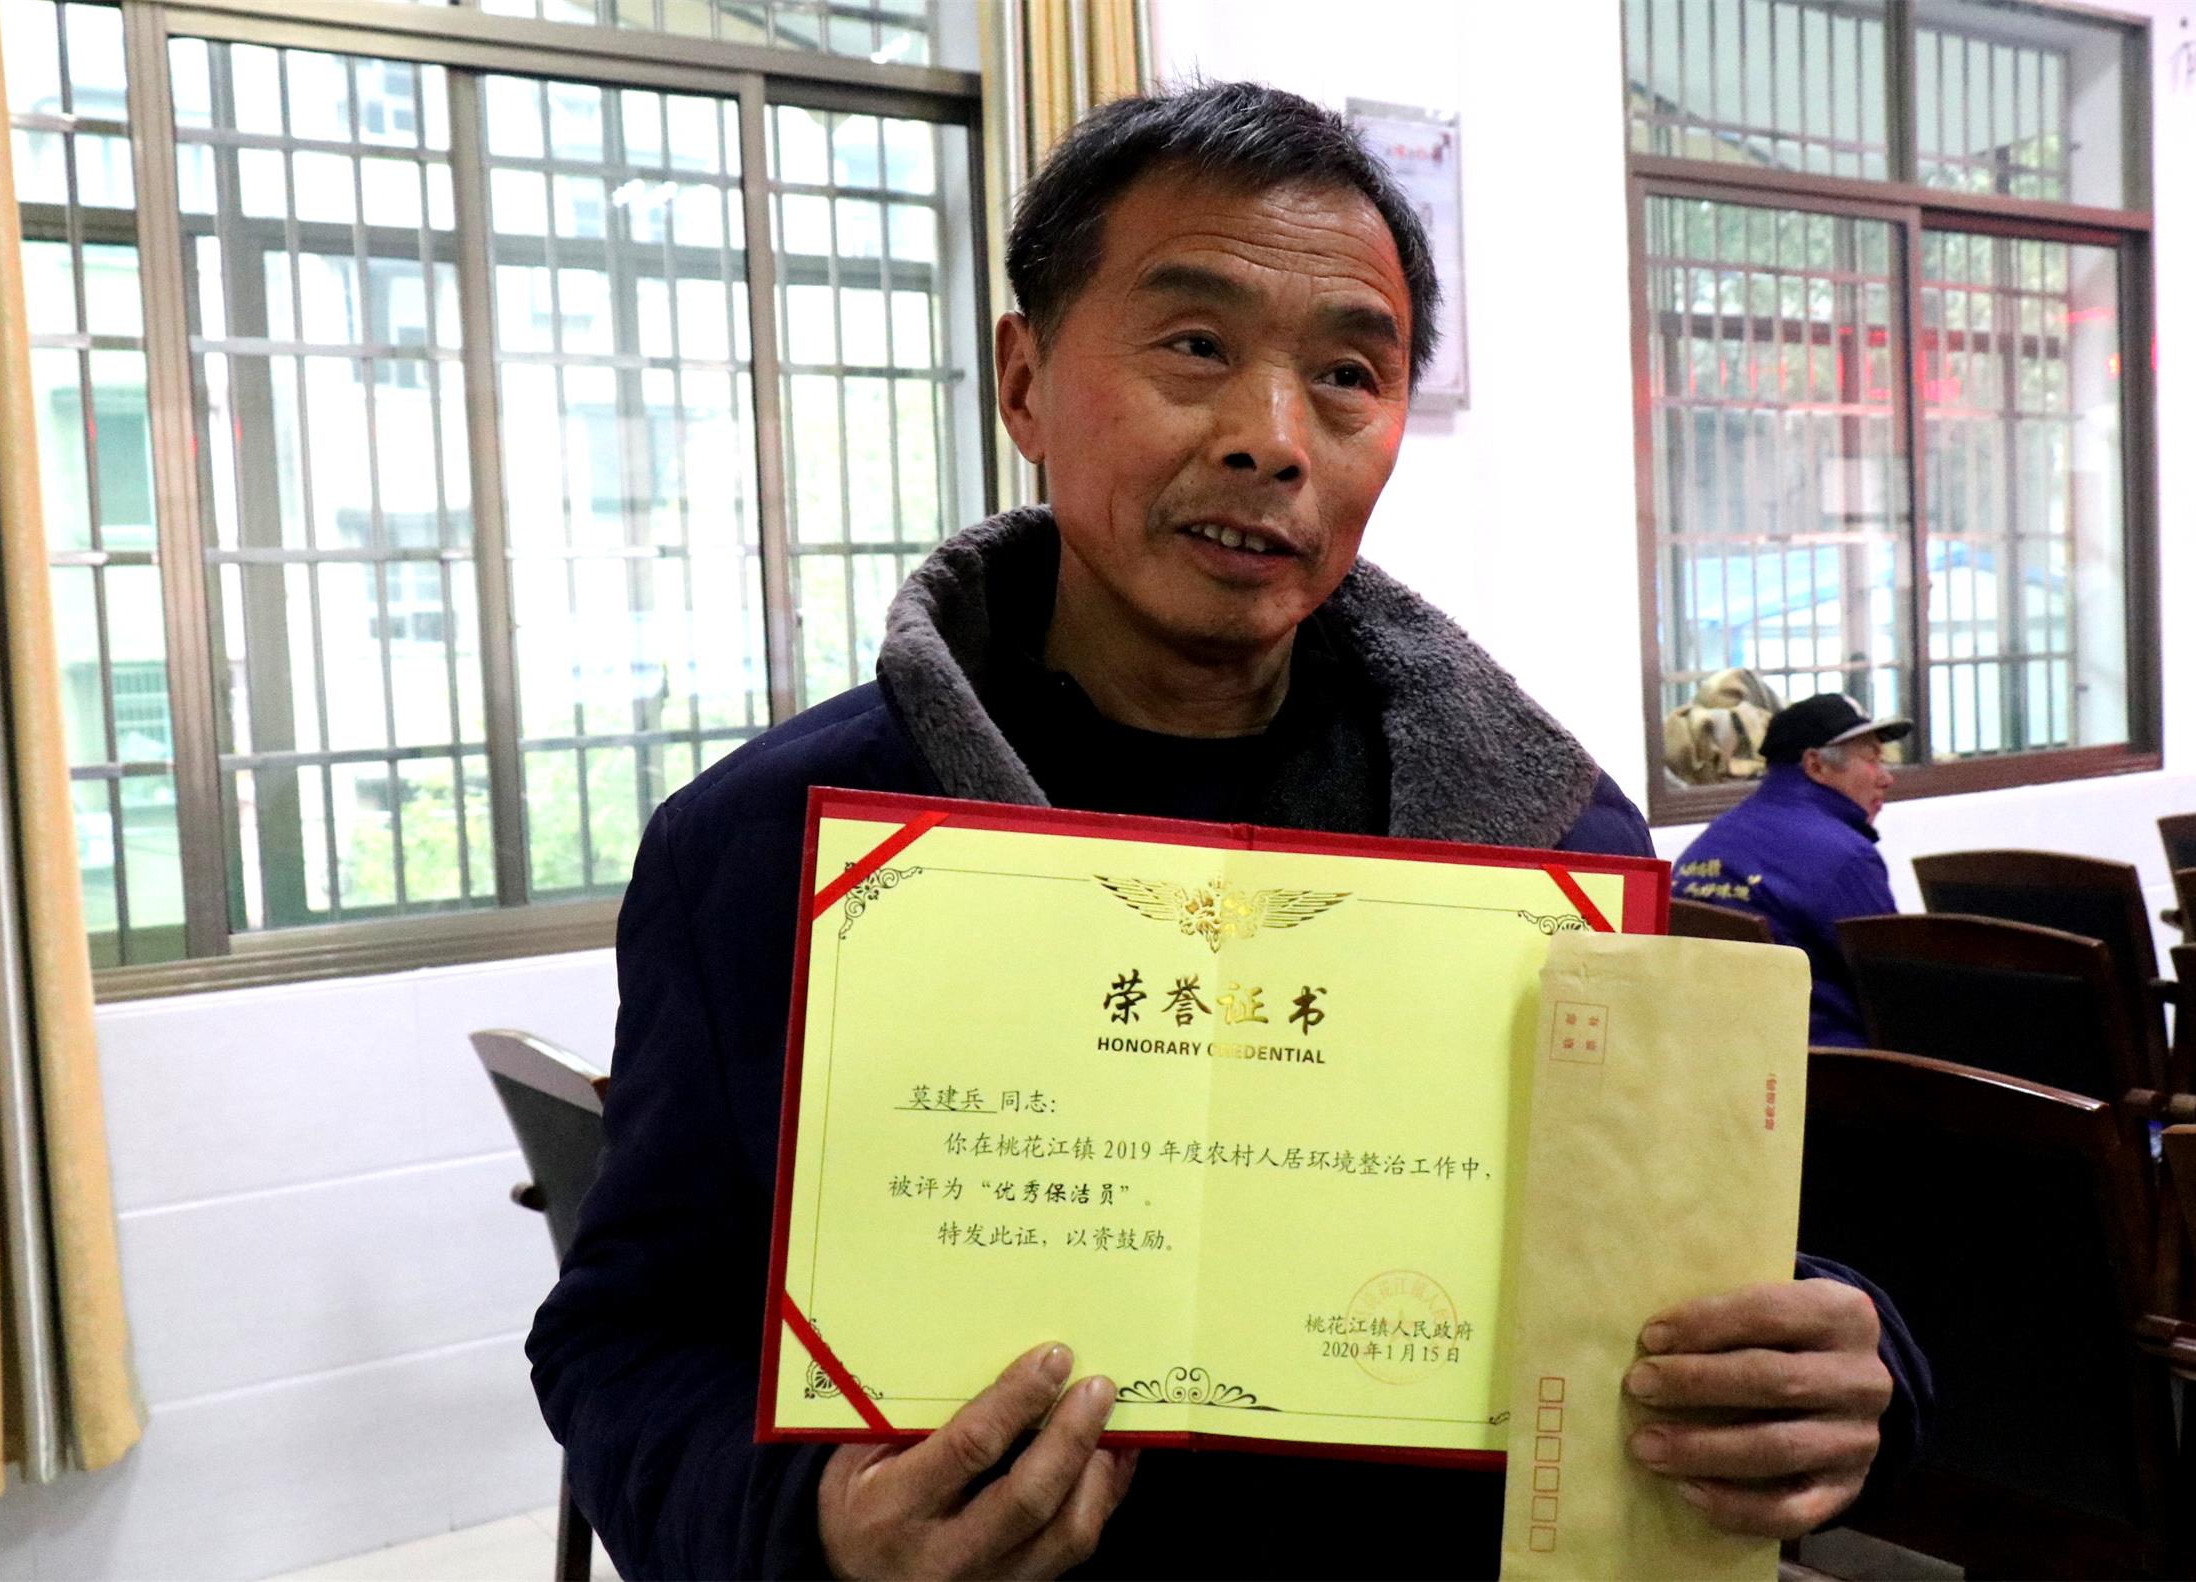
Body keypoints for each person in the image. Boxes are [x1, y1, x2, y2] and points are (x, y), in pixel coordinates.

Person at [526, 84, 1928, 1580]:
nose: (1273, 439)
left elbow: (1698, 1271)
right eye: (1195, 345)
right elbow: (628, 1339)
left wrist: (1849, 1369)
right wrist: (810, 1528)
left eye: (1346, 374)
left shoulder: (1548, 846)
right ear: (1025, 382)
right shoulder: (767, 847)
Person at [1669, 694, 1910, 1048]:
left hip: (1714, 1057)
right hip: (1829, 1068)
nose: (1886, 778)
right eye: (1873, 760)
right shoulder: (1845, 859)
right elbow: (1899, 993)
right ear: (1816, 765)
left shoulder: (1711, 841)